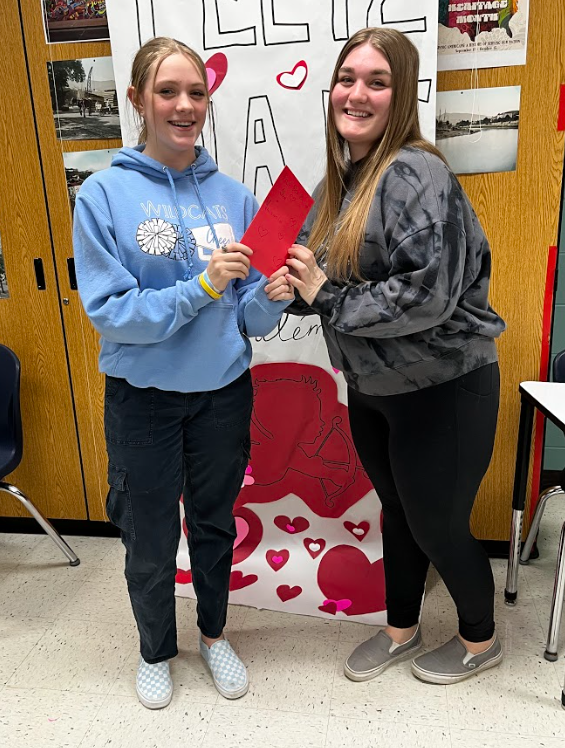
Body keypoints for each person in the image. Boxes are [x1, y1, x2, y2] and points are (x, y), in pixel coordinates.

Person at [72, 36, 293, 709]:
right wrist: (200, 287)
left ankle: (214, 634)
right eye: (167, 92)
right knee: (149, 535)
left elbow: (247, 318)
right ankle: (155, 650)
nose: (184, 105)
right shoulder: (103, 195)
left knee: (215, 526)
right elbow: (111, 313)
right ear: (137, 100)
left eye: (196, 92)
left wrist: (272, 297)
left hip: (222, 396)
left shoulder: (235, 197)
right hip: (143, 401)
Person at [285, 27, 506, 686]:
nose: (356, 93)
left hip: (443, 387)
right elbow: (316, 280)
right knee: (398, 514)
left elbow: (426, 295)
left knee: (438, 525)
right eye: (346, 78)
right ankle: (401, 629)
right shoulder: (337, 186)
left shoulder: (416, 172)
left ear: (401, 94)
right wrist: (287, 288)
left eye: (376, 82)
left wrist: (323, 294)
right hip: (373, 389)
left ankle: (479, 639)